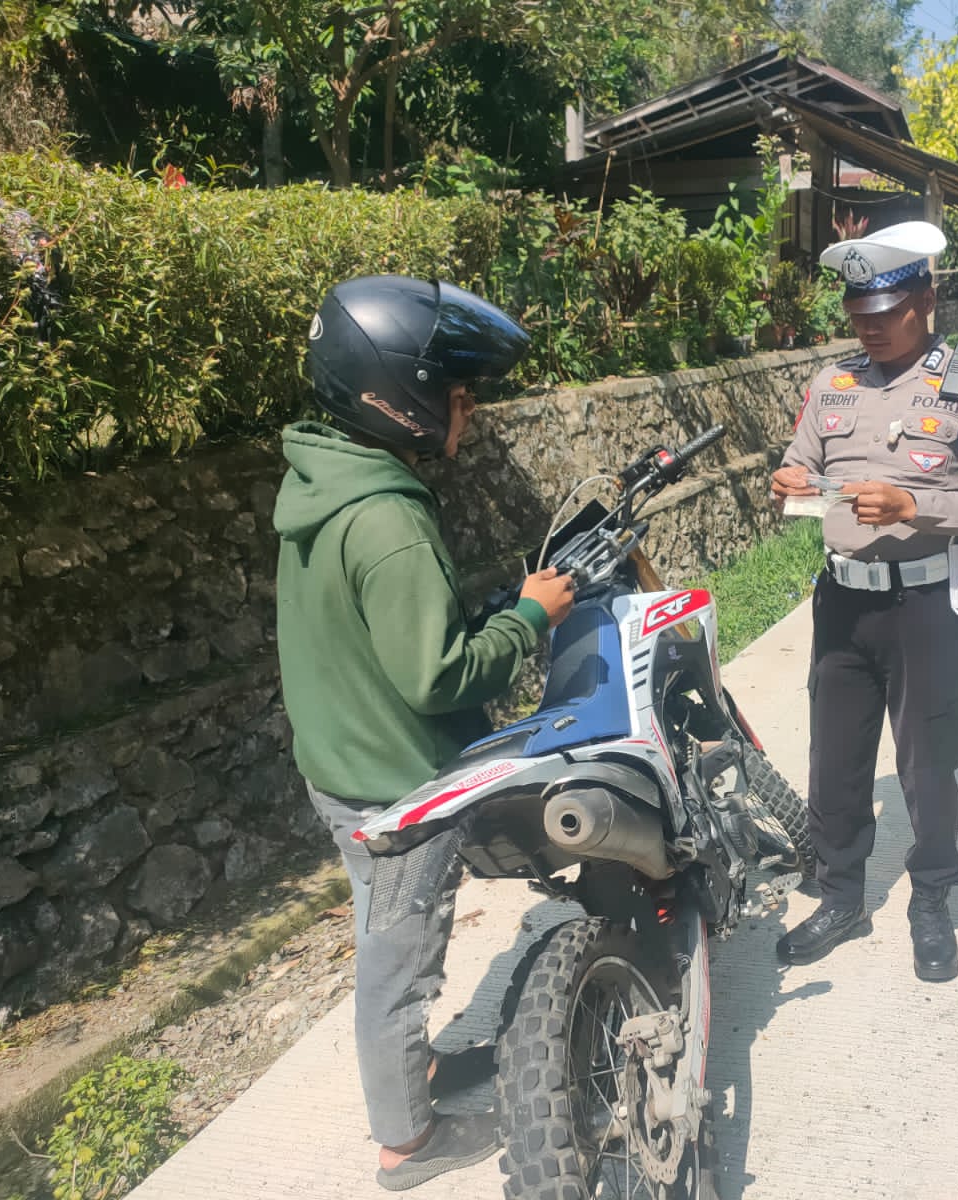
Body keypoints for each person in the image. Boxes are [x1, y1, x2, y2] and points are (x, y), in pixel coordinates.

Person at [273, 275, 575, 1190]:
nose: (468, 408)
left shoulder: (323, 476)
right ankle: (406, 1140)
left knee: (380, 933)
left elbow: (384, 637)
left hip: (338, 761)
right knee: (399, 962)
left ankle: (417, 1072)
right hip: (398, 786)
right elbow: (437, 676)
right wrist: (529, 617)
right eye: (455, 392)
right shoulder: (392, 520)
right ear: (398, 400)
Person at [770, 221, 958, 982]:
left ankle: (932, 899)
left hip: (926, 607)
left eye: (885, 314)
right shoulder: (832, 384)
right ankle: (841, 894)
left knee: (928, 763)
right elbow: (797, 464)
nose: (870, 329)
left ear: (927, 299)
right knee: (836, 763)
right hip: (843, 601)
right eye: (858, 316)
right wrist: (786, 483)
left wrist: (914, 506)